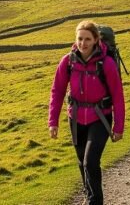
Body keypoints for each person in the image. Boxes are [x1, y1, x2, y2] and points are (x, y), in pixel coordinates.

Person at [49, 20, 125, 204]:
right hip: (75, 118)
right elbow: (57, 91)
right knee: (82, 161)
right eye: (80, 39)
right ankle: (88, 193)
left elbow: (117, 95)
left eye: (87, 39)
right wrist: (53, 122)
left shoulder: (106, 63)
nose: (83, 43)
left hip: (100, 117)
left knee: (90, 162)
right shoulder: (68, 61)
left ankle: (94, 201)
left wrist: (119, 126)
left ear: (96, 40)